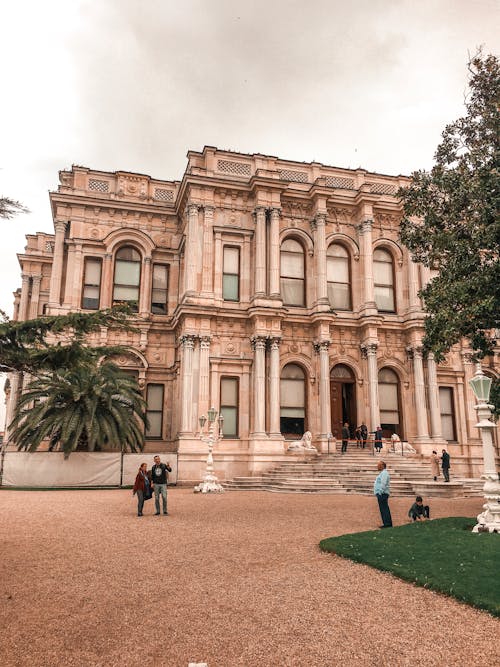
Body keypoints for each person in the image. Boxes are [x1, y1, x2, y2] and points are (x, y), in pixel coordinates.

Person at [374, 460, 392, 528]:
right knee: (383, 509)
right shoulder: (383, 473)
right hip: (382, 494)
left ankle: (387, 524)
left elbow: (383, 484)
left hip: (382, 494)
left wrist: (380, 492)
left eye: (378, 465)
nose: (377, 466)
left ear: (382, 466)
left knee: (384, 509)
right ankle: (386, 523)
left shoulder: (384, 473)